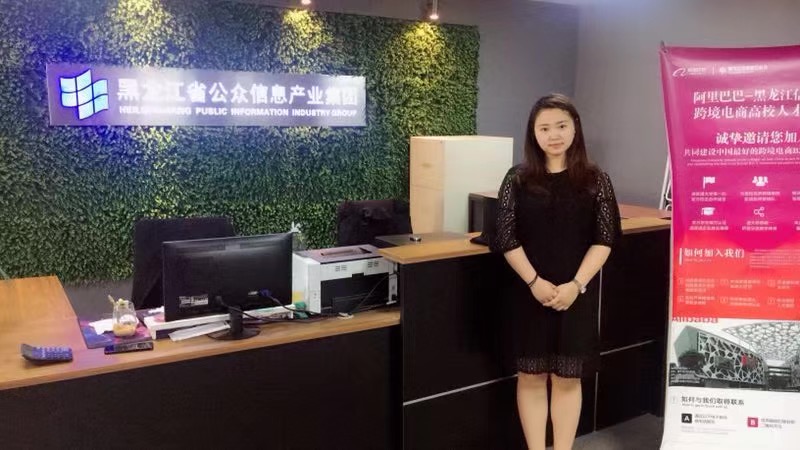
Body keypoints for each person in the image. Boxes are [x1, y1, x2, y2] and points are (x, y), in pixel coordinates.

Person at [494, 93, 621, 450]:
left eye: (561, 126)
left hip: (575, 294)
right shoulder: (517, 179)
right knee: (531, 376)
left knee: (567, 378)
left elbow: (605, 239)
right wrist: (534, 282)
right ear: (533, 133)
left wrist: (576, 285)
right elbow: (505, 237)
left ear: (575, 128)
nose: (554, 135)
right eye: (544, 128)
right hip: (529, 293)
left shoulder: (596, 180)